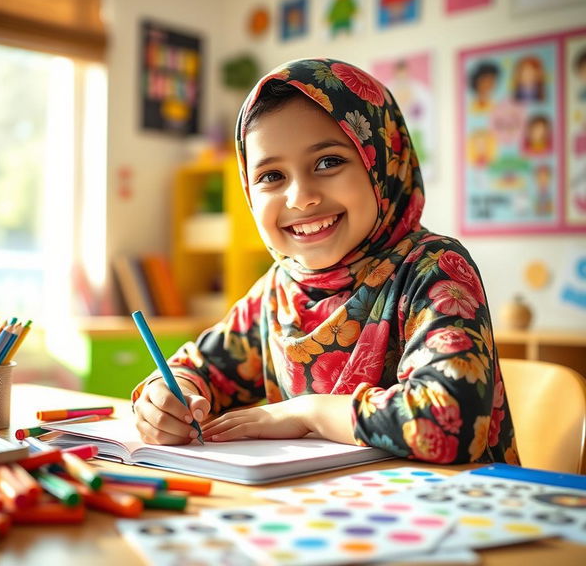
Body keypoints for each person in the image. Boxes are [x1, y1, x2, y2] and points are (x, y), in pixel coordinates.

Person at [133, 58, 519, 465]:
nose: (300, 197)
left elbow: (449, 421)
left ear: (382, 163)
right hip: (329, 513)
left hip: (457, 515)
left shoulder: (434, 268)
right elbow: (199, 367)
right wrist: (167, 398)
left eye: (328, 162)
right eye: (271, 176)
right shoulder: (278, 291)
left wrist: (309, 412)